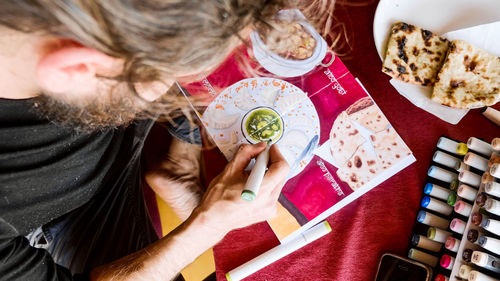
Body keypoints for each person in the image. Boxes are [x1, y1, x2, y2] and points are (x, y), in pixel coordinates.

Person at [0, 1, 301, 280]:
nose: (170, 85)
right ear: (77, 69)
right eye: (164, 74)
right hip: (54, 217)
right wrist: (208, 226)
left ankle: (179, 163)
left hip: (102, 146)